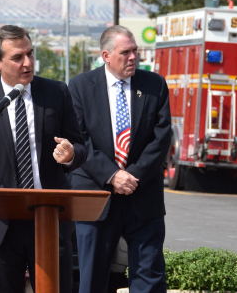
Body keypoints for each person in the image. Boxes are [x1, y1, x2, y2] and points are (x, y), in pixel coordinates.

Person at [0, 25, 87, 293]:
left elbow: (79, 147)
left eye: (30, 53)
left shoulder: (56, 93)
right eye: (17, 57)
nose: (28, 63)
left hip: (50, 219)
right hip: (0, 224)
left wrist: (70, 154)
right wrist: (7, 198)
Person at [68, 25, 171, 293]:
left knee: (149, 279)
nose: (133, 57)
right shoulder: (80, 87)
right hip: (95, 195)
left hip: (142, 194)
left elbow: (161, 139)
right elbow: (78, 140)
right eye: (126, 52)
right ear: (106, 55)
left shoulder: (154, 85)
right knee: (92, 280)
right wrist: (113, 175)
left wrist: (130, 176)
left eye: (135, 50)